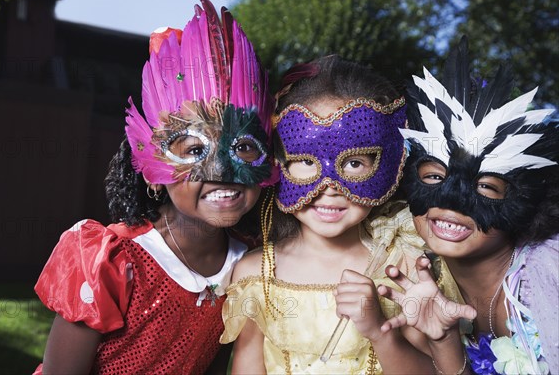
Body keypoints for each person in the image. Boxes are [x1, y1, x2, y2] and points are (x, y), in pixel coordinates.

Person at [33, 0, 277, 375]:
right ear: (152, 171)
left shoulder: (247, 264)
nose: (223, 169)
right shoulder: (113, 261)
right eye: (195, 149)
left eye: (244, 146)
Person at [220, 55, 448, 374]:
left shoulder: (403, 266)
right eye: (306, 161)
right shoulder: (254, 273)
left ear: (386, 164)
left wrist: (380, 333)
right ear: (276, 164)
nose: (329, 187)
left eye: (353, 163)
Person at [378, 36, 559, 374]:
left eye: (486, 186)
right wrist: (444, 340)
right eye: (433, 177)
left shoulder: (549, 272)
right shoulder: (421, 281)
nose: (451, 200)